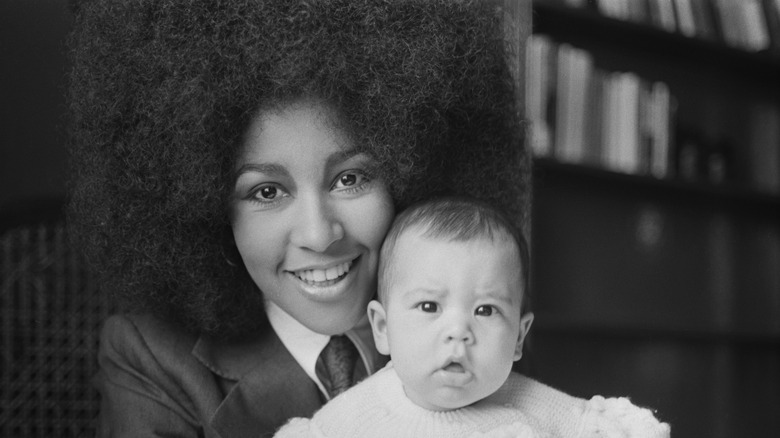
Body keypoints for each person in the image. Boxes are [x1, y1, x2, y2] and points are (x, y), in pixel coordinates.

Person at [66, 1, 529, 437]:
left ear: (412, 169)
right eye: (266, 192)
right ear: (202, 207)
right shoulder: (152, 361)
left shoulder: (468, 319)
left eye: (350, 178)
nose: (319, 234)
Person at [275, 197, 671, 438]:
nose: (459, 332)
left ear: (518, 336)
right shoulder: (353, 420)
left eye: (485, 310)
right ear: (383, 328)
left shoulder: (538, 407)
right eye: (429, 307)